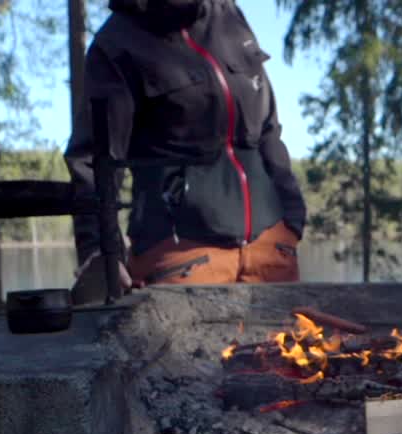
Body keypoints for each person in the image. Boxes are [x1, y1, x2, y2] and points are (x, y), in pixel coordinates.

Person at [65, 0, 307, 303]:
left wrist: (291, 217)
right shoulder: (116, 44)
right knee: (189, 351)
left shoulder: (228, 15)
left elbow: (267, 127)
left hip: (271, 249)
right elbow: (93, 160)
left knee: (284, 350)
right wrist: (99, 252)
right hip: (182, 257)